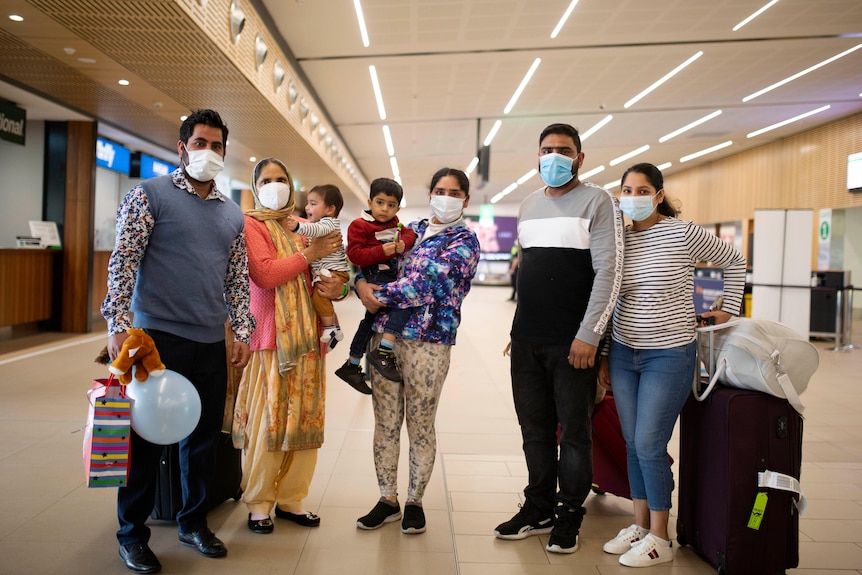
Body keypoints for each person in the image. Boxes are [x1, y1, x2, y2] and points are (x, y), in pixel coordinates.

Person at [101, 109, 252, 574]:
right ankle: (132, 535)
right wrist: (117, 321)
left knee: (202, 441)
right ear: (182, 147)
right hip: (154, 342)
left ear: (226, 152)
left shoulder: (231, 213)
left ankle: (193, 523)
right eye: (200, 143)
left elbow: (237, 280)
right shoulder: (149, 195)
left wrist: (243, 331)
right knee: (144, 442)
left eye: (217, 145)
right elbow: (123, 259)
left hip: (209, 340)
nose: (209, 152)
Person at [598, 162, 745, 567]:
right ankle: (641, 525)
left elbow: (733, 260)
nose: (633, 197)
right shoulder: (620, 238)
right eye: (626, 190)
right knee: (632, 442)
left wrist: (726, 308)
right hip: (626, 352)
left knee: (649, 443)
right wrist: (608, 353)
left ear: (659, 195)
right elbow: (613, 301)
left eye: (642, 190)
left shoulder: (681, 233)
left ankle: (661, 538)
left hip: (670, 352)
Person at [495, 123, 624, 554]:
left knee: (573, 432)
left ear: (580, 158)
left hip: (574, 343)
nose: (554, 157)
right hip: (528, 338)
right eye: (547, 150)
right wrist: (519, 329)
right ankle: (539, 507)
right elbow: (532, 272)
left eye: (564, 150)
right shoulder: (529, 205)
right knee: (533, 429)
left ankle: (569, 512)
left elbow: (609, 272)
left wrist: (590, 336)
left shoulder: (598, 201)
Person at [353, 167, 480, 535]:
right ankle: (387, 498)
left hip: (429, 343)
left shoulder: (464, 242)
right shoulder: (411, 229)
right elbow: (369, 257)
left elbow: (425, 285)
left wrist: (375, 296)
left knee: (420, 423)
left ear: (465, 200)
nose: (445, 197)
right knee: (386, 422)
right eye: (439, 189)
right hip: (385, 339)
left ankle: (414, 500)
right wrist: (360, 282)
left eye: (454, 192)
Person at [232, 158, 347, 536]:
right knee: (270, 423)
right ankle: (260, 501)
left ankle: (291, 498)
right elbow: (265, 274)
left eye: (282, 179)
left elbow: (328, 274)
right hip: (270, 340)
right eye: (267, 180)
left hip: (307, 341)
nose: (275, 185)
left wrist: (339, 288)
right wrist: (310, 255)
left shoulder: (301, 226)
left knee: (304, 420)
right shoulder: (251, 224)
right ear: (255, 184)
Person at [335, 177, 417, 393]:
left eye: (391, 205)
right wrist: (382, 251)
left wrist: (402, 244)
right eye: (380, 202)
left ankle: (352, 364)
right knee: (405, 303)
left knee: (370, 320)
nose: (385, 209)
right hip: (374, 275)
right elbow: (354, 255)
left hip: (388, 274)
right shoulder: (359, 225)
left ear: (397, 207)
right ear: (370, 202)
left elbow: (410, 233)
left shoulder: (395, 223)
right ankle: (383, 351)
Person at [283, 184, 351, 347]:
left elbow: (315, 229)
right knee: (322, 299)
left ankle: (330, 328)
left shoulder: (327, 224)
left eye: (313, 204)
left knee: (320, 297)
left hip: (334, 271)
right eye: (308, 203)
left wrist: (298, 227)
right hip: (329, 270)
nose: (307, 207)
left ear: (330, 209)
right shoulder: (323, 224)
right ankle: (334, 327)